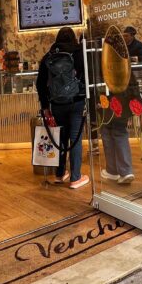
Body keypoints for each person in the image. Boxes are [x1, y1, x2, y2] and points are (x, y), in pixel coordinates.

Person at [36, 26, 90, 189]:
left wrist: (45, 106)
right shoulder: (79, 53)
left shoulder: (49, 56)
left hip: (57, 104)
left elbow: (40, 84)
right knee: (75, 138)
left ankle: (60, 174)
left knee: (60, 137)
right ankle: (75, 177)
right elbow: (88, 76)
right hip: (77, 101)